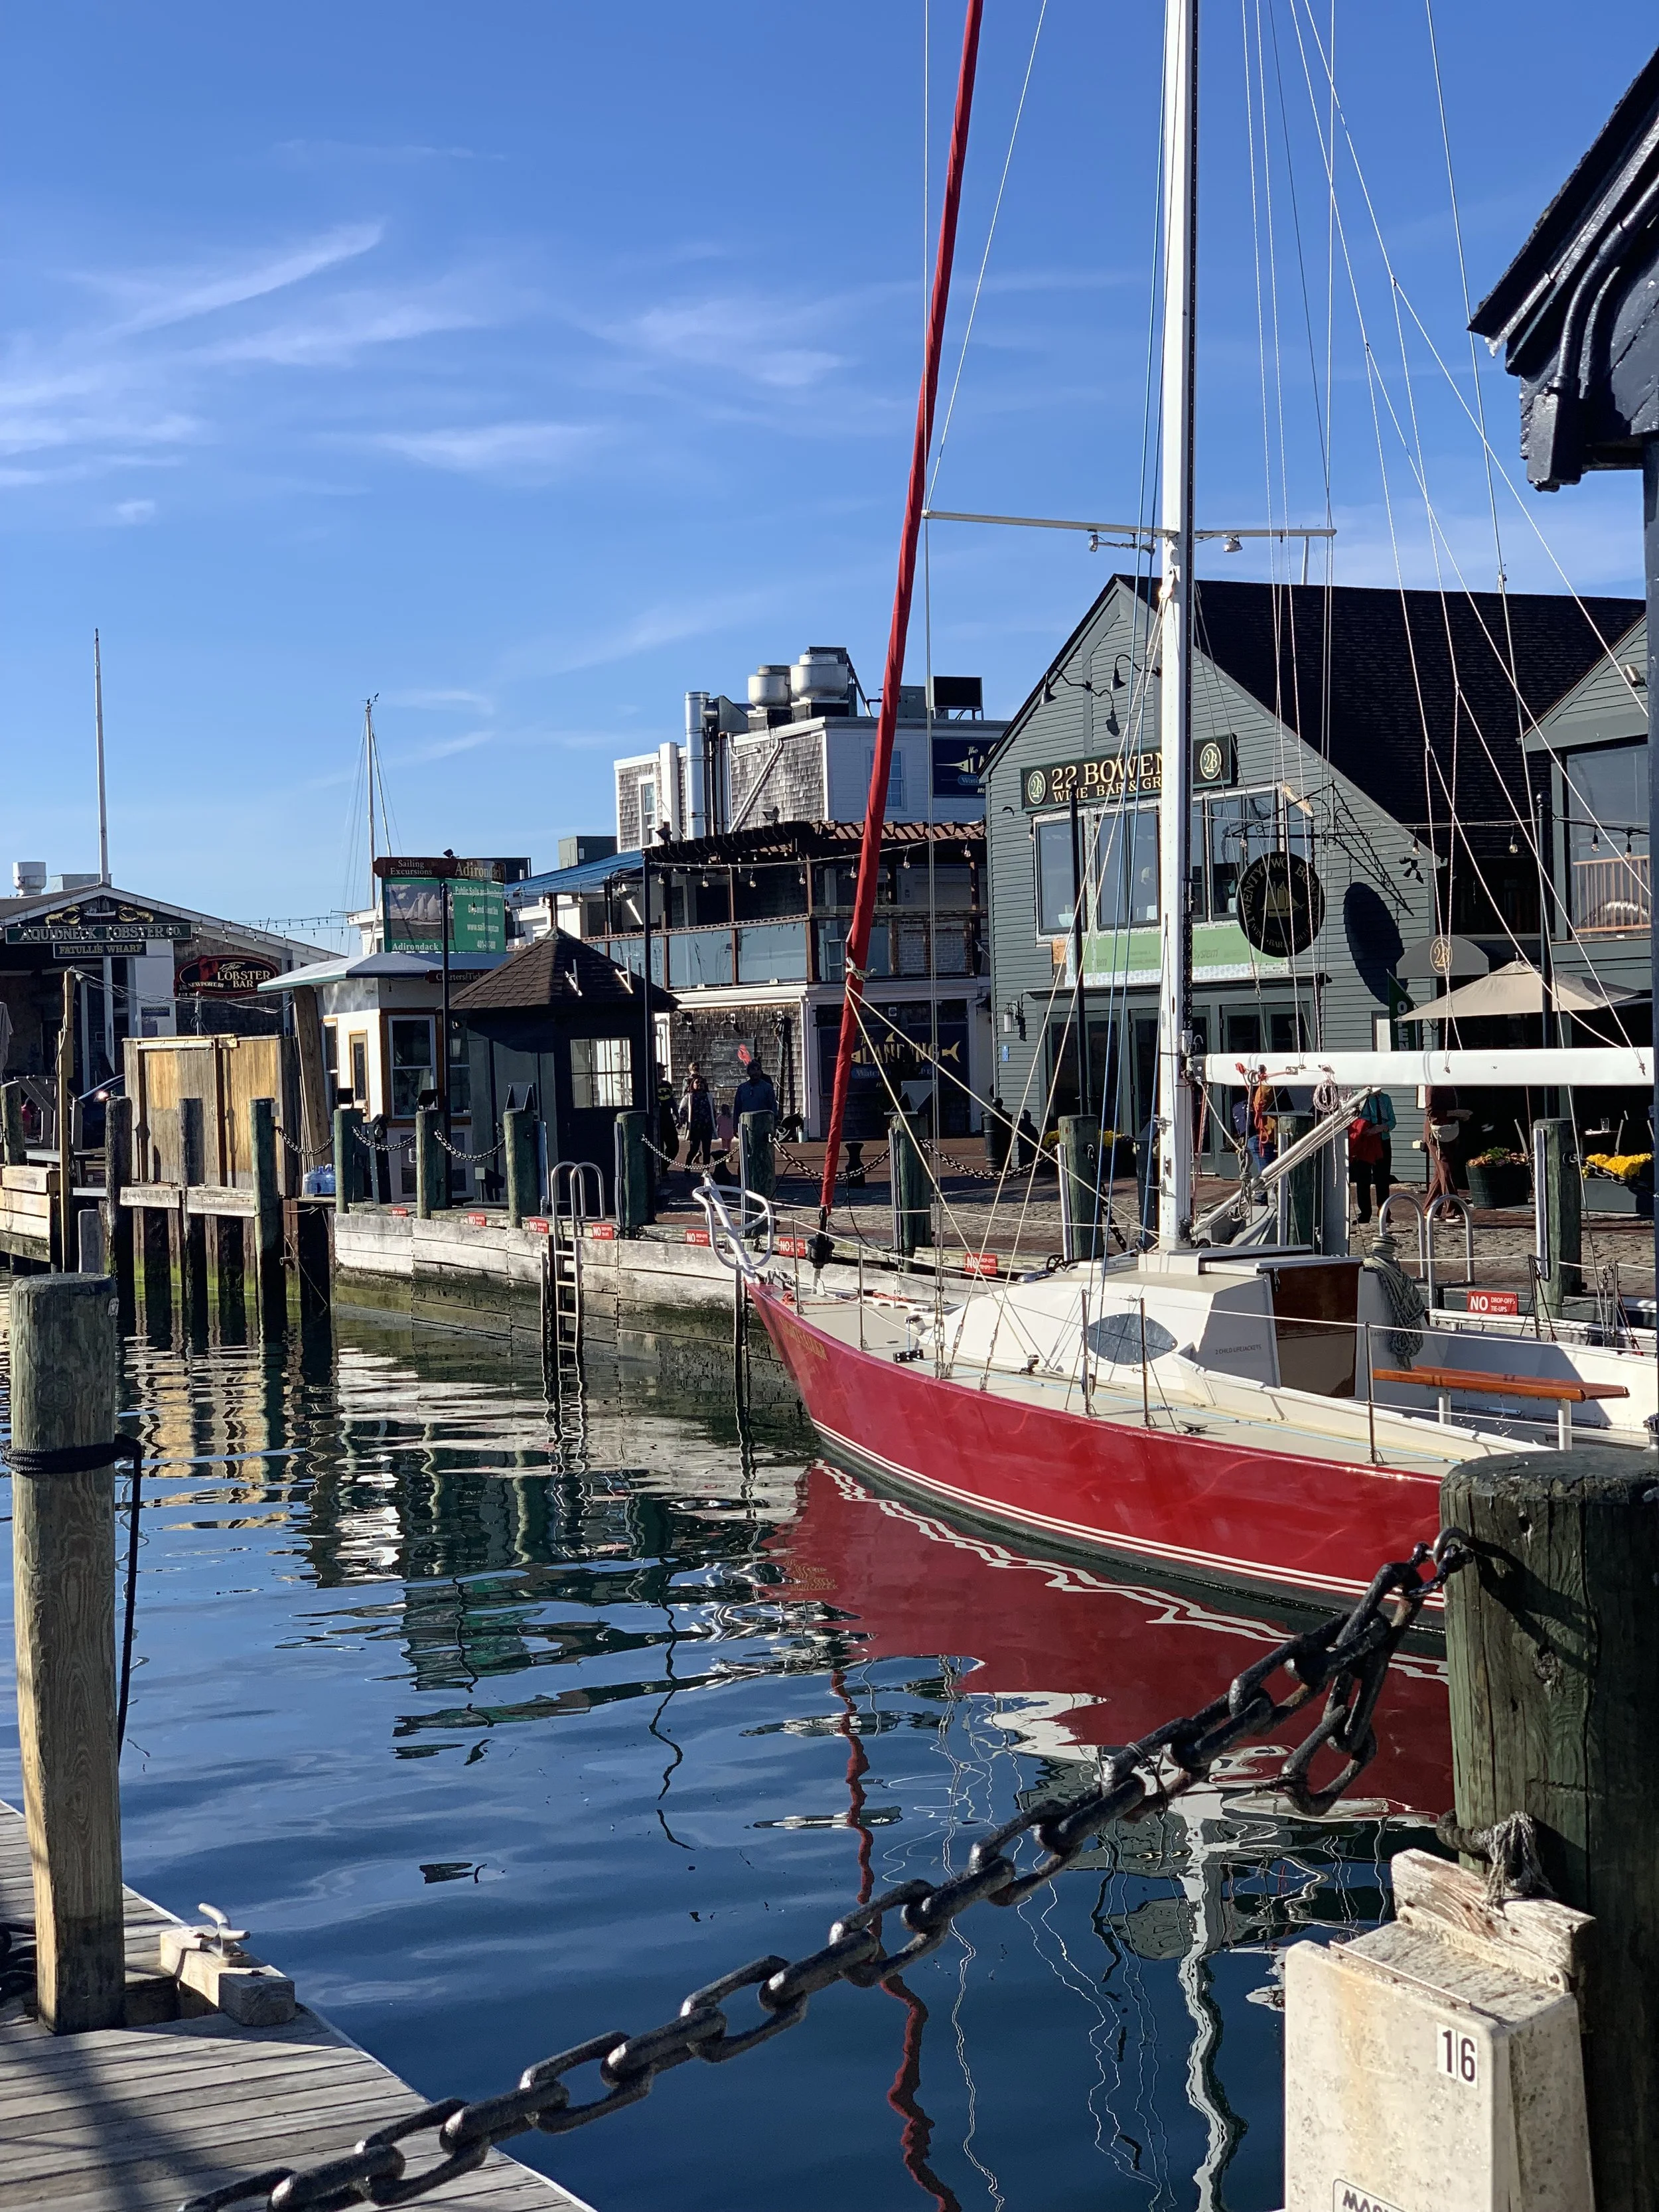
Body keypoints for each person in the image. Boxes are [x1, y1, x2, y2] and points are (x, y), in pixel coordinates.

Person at [1348, 1088, 1396, 1225]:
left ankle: (1384, 1212)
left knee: (1383, 1178)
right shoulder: (1359, 1097)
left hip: (1383, 1140)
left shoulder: (1385, 1099)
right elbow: (1353, 1117)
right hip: (1366, 1141)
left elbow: (1393, 1121)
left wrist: (1381, 1128)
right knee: (1363, 1179)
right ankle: (1365, 1213)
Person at [1424, 1085, 1470, 1203]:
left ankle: (1430, 1208)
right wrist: (1455, 1113)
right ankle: (1452, 1209)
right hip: (1437, 1133)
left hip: (1449, 1129)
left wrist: (1459, 1115)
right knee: (1446, 1169)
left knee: (1440, 1172)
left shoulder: (1450, 1086)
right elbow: (1431, 1112)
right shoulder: (1433, 1086)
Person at [677, 1061, 715, 1168]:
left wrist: (714, 1122)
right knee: (694, 1148)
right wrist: (682, 1120)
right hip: (695, 1126)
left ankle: (706, 1169)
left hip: (706, 1126)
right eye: (697, 1083)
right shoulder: (690, 1096)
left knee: (707, 1150)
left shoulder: (708, 1096)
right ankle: (688, 1167)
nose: (700, 1084)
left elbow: (713, 1110)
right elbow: (682, 1109)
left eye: (702, 1083)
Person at [732, 1055, 778, 1123]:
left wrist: (774, 1124)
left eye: (758, 1070)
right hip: (746, 1124)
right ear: (749, 1072)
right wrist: (736, 1126)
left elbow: (773, 1108)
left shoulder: (767, 1088)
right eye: (753, 1070)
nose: (756, 1072)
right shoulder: (742, 1089)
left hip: (764, 1124)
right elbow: (737, 1110)